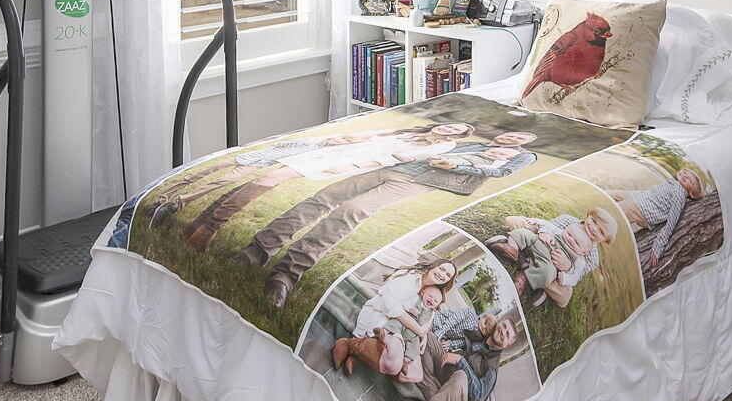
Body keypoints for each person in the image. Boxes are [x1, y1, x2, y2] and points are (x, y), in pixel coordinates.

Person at [241, 131, 543, 309]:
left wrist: (454, 165)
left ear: (526, 142)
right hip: (394, 166)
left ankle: (286, 274)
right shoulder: (474, 143)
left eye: (520, 137)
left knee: (352, 210)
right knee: (323, 197)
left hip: (418, 181)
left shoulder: (522, 156)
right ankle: (257, 251)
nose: (511, 138)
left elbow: (499, 172)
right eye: (511, 134)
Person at [149, 122, 474, 251]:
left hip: (348, 162)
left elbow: (395, 157)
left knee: (267, 180)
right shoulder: (408, 130)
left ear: (456, 138)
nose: (448, 130)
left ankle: (207, 228)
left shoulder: (439, 147)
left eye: (455, 131)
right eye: (449, 126)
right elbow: (372, 136)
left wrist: (352, 165)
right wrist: (340, 139)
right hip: (338, 149)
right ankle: (198, 224)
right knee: (259, 176)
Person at [393, 309, 517, 401]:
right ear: (499, 322)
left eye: (508, 334)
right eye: (504, 326)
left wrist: (460, 361)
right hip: (449, 374)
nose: (503, 331)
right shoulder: (481, 336)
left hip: (461, 398)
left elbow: (478, 395)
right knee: (429, 338)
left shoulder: (492, 368)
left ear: (507, 345)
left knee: (462, 376)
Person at [334, 260, 455, 383]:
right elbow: (391, 305)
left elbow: (429, 316)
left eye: (448, 275)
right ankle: (352, 345)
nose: (442, 275)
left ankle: (365, 356)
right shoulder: (410, 276)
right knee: (393, 360)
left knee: (413, 374)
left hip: (405, 328)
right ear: (433, 266)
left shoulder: (435, 293)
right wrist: (418, 329)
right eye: (441, 269)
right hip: (383, 315)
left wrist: (423, 333)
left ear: (448, 281)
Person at [614, 170, 705, 268]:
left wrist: (659, 246)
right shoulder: (674, 183)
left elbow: (671, 224)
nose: (685, 176)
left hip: (641, 209)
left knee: (612, 210)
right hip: (636, 196)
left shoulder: (679, 195)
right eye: (685, 172)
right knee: (608, 194)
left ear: (692, 194)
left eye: (690, 181)